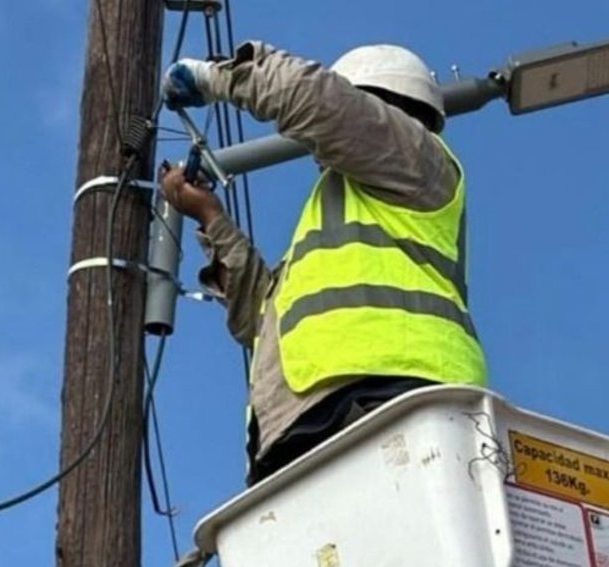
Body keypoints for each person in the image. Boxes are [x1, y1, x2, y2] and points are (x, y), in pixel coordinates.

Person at [159, 42, 488, 486]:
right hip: (299, 428)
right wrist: (210, 217)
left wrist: (212, 77)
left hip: (386, 396)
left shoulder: (415, 157)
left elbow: (315, 99)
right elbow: (258, 318)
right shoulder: (339, 221)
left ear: (376, 106)